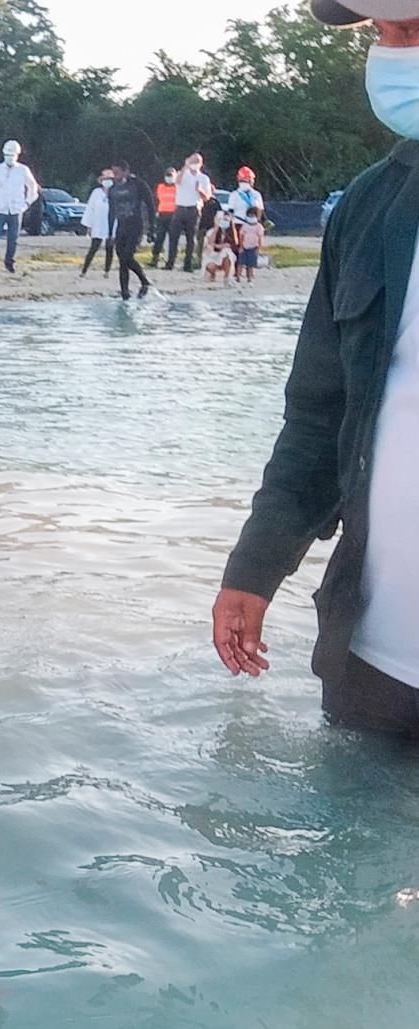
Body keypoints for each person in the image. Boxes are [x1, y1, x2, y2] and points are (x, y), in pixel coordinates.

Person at [212, 0, 419, 742]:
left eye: (416, 29)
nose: (395, 53)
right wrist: (256, 565)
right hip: (373, 669)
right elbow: (319, 415)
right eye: (384, 33)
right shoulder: (368, 207)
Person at [0, 139, 38, 273]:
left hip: (16, 210)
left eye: (12, 155)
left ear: (17, 155)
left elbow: (32, 186)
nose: (9, 158)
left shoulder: (23, 170)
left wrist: (27, 203)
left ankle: (9, 262)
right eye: (7, 155)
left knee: (13, 239)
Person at [106, 161, 153, 300]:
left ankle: (144, 281)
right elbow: (111, 211)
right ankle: (124, 292)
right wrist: (110, 233)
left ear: (125, 171)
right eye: (113, 173)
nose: (115, 176)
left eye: (117, 173)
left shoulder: (138, 184)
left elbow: (150, 205)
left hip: (136, 225)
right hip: (122, 226)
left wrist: (151, 229)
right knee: (121, 259)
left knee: (127, 256)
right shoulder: (113, 188)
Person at [163, 152, 213, 273]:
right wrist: (185, 166)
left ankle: (188, 264)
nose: (194, 164)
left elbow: (207, 197)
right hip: (180, 208)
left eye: (197, 161)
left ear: (201, 164)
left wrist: (199, 190)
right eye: (192, 161)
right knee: (173, 236)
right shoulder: (182, 174)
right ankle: (170, 262)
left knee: (191, 238)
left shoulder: (204, 178)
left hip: (193, 209)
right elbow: (177, 182)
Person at [79, 168, 114, 278]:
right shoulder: (96, 193)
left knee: (109, 248)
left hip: (111, 224)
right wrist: (89, 225)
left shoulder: (116, 192)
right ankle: (84, 271)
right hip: (98, 224)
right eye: (105, 179)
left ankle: (107, 271)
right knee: (93, 248)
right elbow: (90, 208)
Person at [149, 167, 178, 267]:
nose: (169, 178)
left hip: (174, 215)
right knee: (159, 238)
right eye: (168, 175)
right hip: (162, 214)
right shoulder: (160, 187)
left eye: (171, 176)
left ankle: (170, 262)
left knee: (173, 240)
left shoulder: (178, 187)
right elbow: (157, 199)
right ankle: (155, 259)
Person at [202, 208, 239, 283]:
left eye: (226, 220)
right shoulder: (211, 231)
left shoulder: (231, 232)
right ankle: (212, 275)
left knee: (226, 252)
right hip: (214, 255)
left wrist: (220, 246)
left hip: (224, 256)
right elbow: (210, 243)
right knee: (210, 265)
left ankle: (227, 276)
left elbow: (233, 244)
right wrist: (216, 228)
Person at [236, 207, 265, 283]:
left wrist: (258, 248)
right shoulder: (245, 226)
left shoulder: (259, 227)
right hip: (244, 247)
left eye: (252, 216)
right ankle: (238, 277)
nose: (251, 217)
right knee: (240, 263)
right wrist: (241, 246)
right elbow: (241, 236)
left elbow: (260, 238)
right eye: (249, 215)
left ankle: (249, 277)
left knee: (250, 264)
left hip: (253, 247)